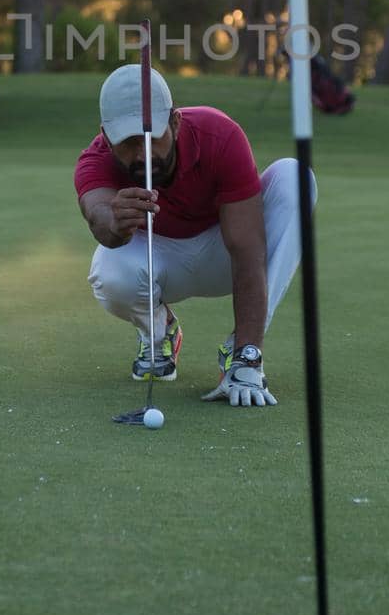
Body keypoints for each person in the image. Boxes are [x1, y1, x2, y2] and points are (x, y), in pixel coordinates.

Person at [74, 62, 315, 409]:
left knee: (296, 179)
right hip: (158, 259)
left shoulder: (219, 134)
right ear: (105, 135)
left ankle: (242, 354)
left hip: (223, 251)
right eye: (126, 143)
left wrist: (250, 353)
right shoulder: (95, 160)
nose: (143, 153)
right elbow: (98, 218)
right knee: (108, 271)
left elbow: (247, 250)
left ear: (175, 122)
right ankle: (159, 333)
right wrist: (114, 221)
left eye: (153, 137)